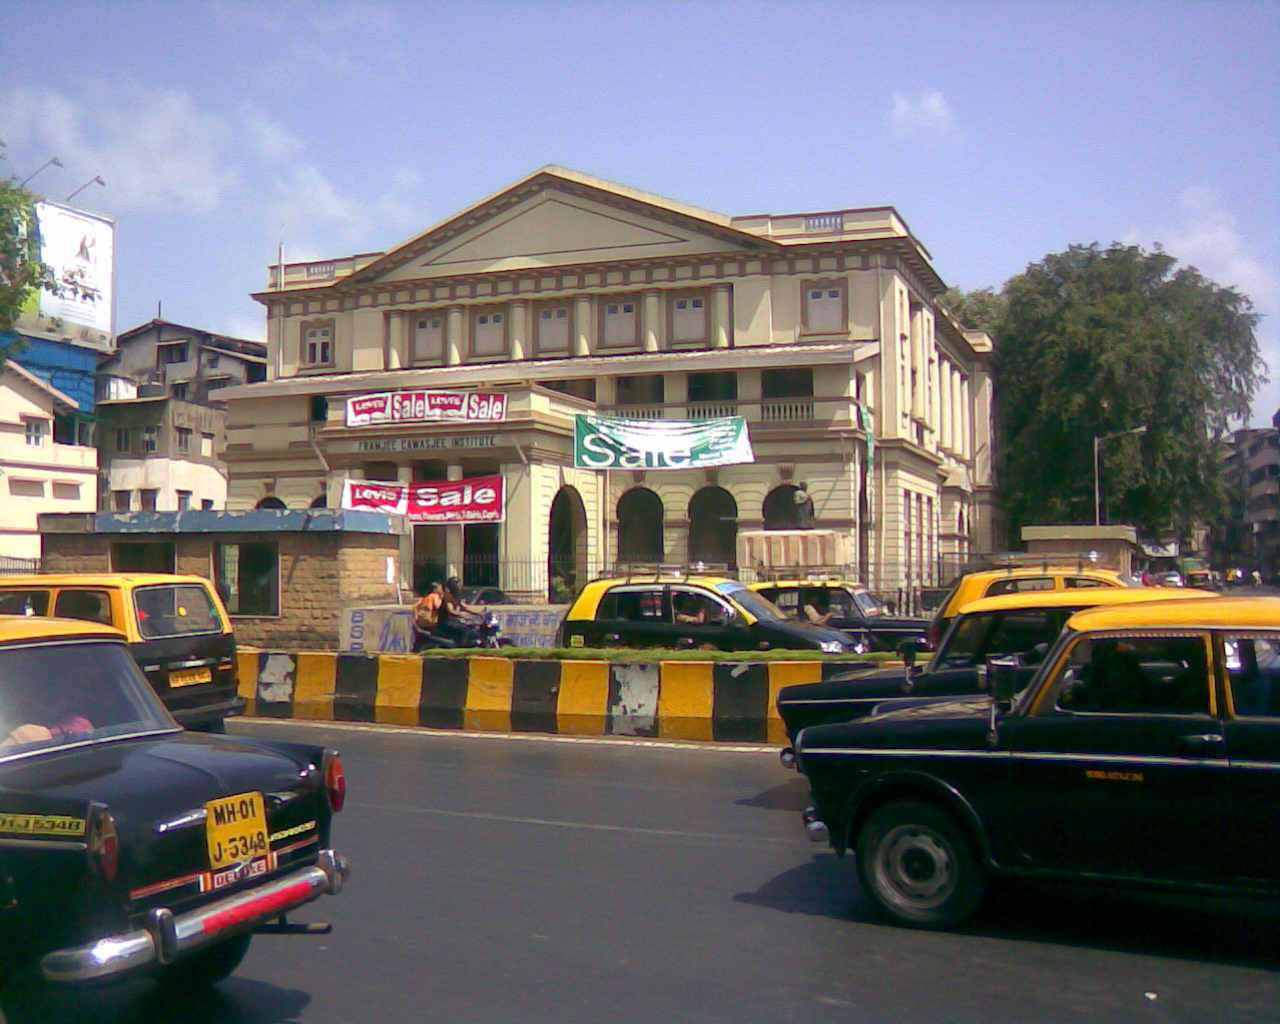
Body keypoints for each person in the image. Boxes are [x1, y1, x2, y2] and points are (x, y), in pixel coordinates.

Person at [437, 577, 482, 646]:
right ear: (453, 586)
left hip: (454, 621)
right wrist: (461, 614)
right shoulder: (448, 596)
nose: (460, 587)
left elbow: (465, 607)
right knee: (466, 630)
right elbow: (451, 610)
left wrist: (479, 613)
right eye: (458, 585)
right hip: (446, 622)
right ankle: (460, 647)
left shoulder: (457, 596)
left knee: (473, 628)